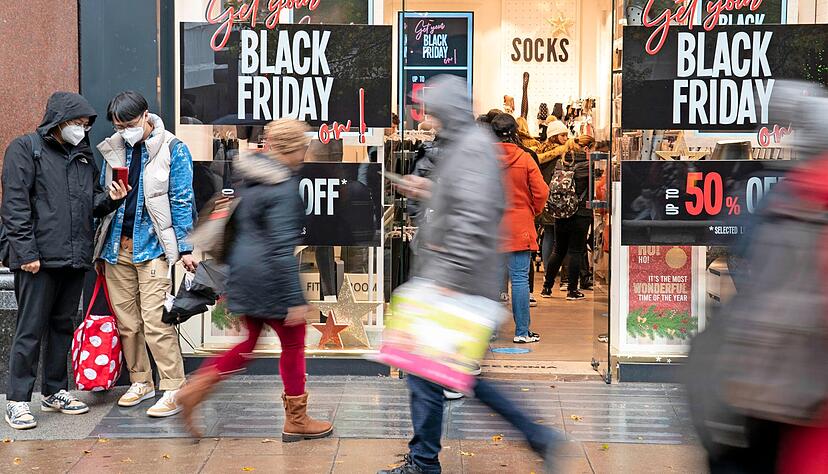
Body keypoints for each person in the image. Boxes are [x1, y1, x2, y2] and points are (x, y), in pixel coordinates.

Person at [378, 75, 560, 474]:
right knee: (445, 374)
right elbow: (462, 201)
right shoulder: (466, 146)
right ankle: (532, 437)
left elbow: (474, 217)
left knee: (433, 374)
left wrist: (449, 279)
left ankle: (427, 461)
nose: (428, 119)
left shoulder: (473, 148)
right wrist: (428, 192)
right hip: (452, 278)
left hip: (455, 281)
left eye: (432, 111)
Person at [177, 119, 333, 442]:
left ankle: (194, 390)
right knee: (293, 341)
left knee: (249, 341)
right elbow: (279, 248)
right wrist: (294, 299)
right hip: (269, 278)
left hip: (244, 273)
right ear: (293, 149)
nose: (304, 153)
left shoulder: (251, 177)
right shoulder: (284, 188)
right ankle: (297, 419)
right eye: (302, 147)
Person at [2, 92, 128, 430]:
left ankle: (54, 390)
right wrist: (26, 253)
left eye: (86, 125)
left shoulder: (83, 156)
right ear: (59, 121)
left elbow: (89, 205)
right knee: (30, 329)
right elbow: (15, 205)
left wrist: (110, 200)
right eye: (77, 123)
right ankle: (16, 400)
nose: (82, 129)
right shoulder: (25, 149)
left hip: (74, 257)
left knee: (62, 326)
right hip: (38, 259)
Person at [95, 91, 196, 417]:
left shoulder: (173, 148)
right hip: (115, 248)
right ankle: (141, 381)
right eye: (118, 125)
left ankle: (173, 385)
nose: (124, 130)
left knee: (156, 321)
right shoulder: (113, 149)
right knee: (128, 323)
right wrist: (110, 196)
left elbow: (182, 200)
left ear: (146, 115)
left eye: (129, 123)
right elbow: (100, 199)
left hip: (152, 248)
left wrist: (185, 248)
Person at [491, 114, 548, 343]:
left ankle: (490, 331)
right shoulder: (525, 159)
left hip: (490, 227)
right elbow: (541, 192)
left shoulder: (483, 159)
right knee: (520, 280)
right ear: (515, 131)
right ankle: (522, 332)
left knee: (492, 281)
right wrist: (532, 211)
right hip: (519, 226)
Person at [542, 135, 595, 301]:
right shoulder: (588, 167)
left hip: (561, 211)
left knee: (558, 250)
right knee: (575, 251)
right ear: (586, 149)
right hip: (580, 213)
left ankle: (546, 288)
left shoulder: (561, 163)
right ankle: (572, 291)